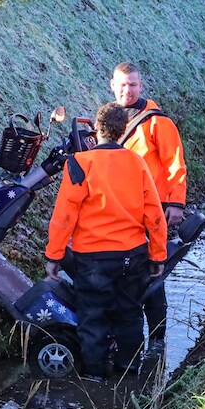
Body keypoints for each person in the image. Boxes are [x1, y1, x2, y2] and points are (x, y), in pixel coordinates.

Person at [45, 103, 168, 381]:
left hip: (92, 259)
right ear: (123, 130)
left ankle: (93, 377)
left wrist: (54, 256)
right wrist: (158, 255)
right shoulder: (137, 163)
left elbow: (65, 216)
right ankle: (128, 372)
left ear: (97, 129)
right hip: (132, 256)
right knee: (130, 314)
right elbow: (155, 215)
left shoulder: (80, 163)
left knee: (93, 318)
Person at [110, 62, 186, 355]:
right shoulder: (107, 119)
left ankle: (156, 339)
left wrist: (176, 203)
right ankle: (122, 337)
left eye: (132, 85)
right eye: (122, 85)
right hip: (118, 213)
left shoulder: (158, 122)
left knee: (154, 275)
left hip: (153, 212)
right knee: (121, 275)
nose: (127, 90)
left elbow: (174, 164)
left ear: (140, 86)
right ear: (112, 85)